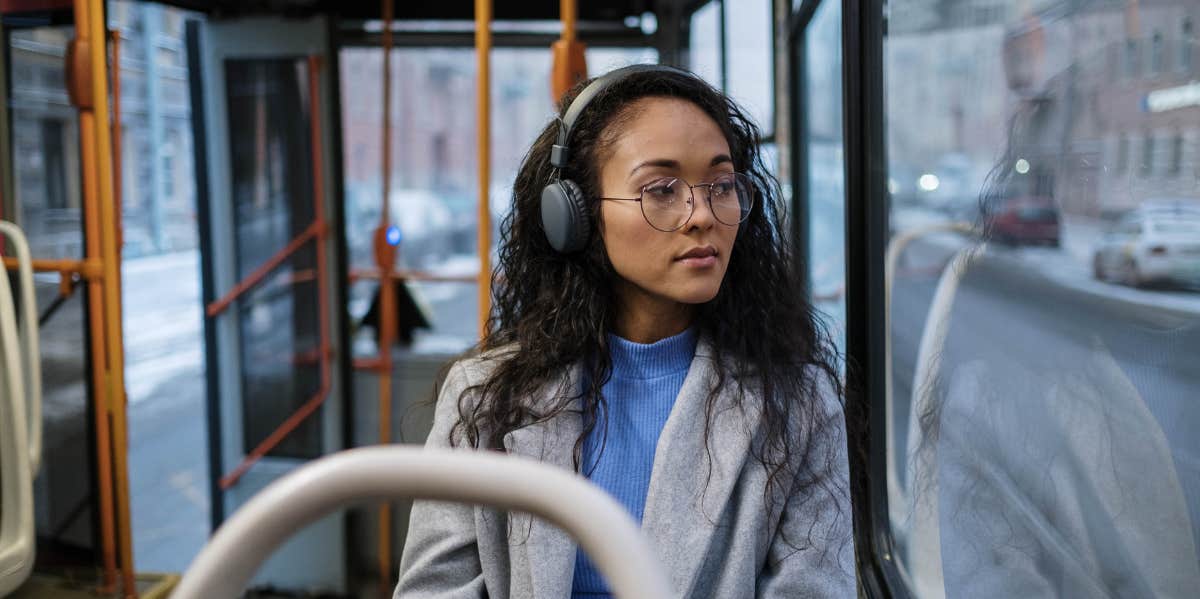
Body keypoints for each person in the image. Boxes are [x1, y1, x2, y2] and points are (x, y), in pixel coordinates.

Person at [395, 64, 855, 599]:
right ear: (576, 216)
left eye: (722, 185)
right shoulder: (485, 395)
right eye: (661, 189)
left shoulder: (798, 403)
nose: (702, 214)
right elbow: (433, 591)